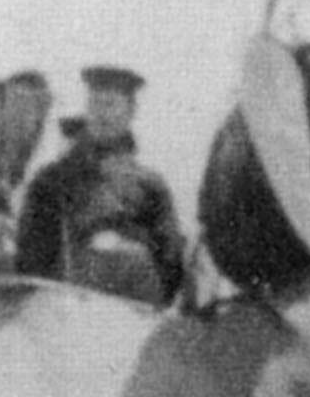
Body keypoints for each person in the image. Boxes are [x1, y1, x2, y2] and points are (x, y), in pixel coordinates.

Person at [15, 66, 187, 306]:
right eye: (95, 104)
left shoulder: (150, 186)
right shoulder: (52, 179)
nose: (102, 114)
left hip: (132, 311)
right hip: (65, 306)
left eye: (110, 104)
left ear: (130, 111)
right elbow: (29, 256)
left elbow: (170, 261)